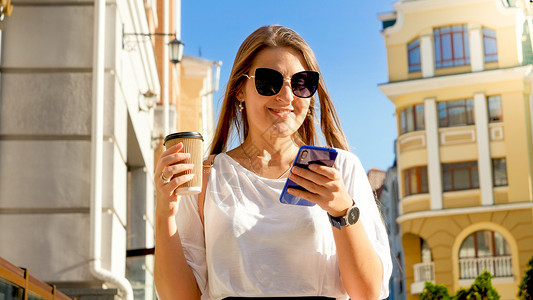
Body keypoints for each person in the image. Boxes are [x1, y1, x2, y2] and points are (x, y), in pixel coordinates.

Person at [154, 25, 392, 300]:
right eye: (269, 81)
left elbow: (369, 293)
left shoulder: (342, 169)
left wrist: (342, 211)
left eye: (302, 82)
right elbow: (179, 297)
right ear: (239, 90)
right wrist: (165, 212)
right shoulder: (208, 177)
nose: (287, 96)